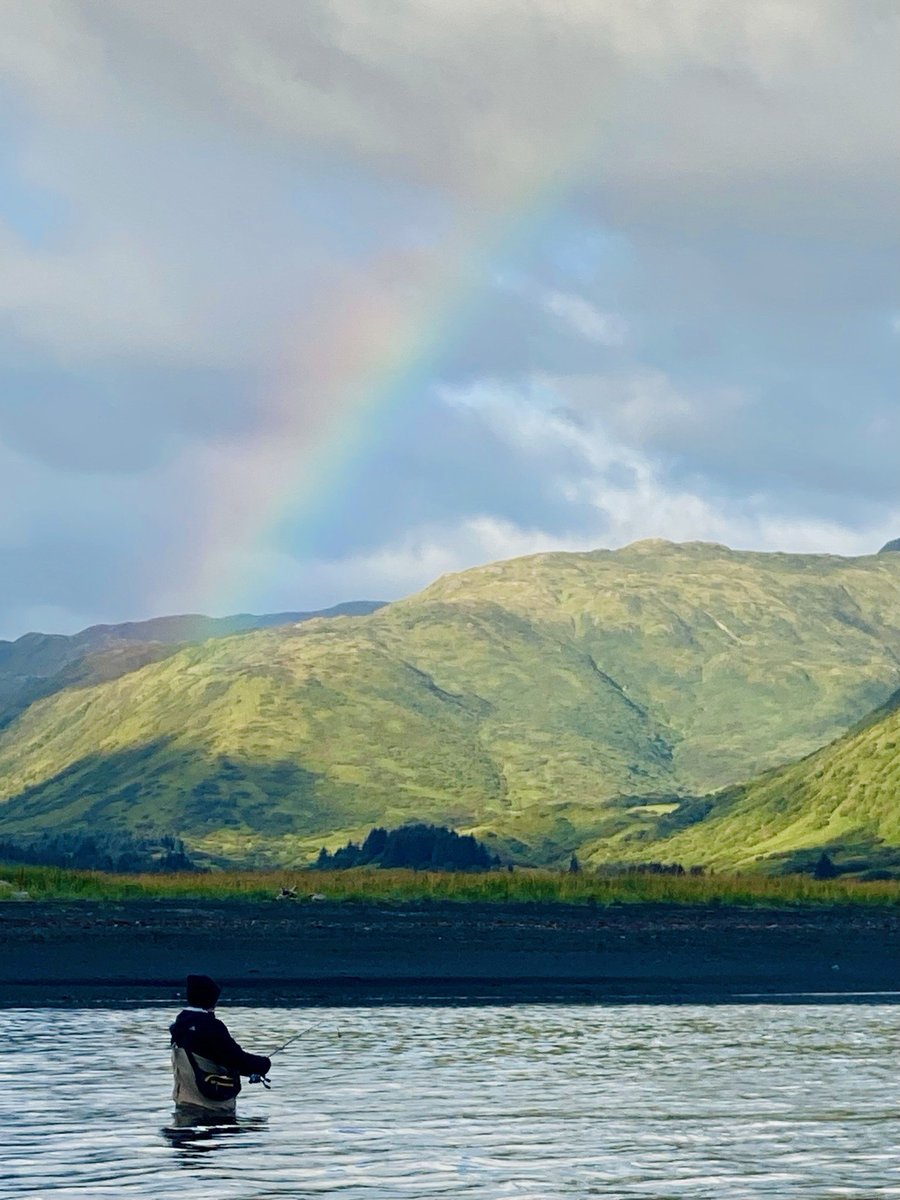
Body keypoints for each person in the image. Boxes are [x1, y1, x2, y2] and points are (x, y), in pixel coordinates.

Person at [170, 974, 272, 1114]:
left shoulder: (178, 1027)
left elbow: (220, 1057)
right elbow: (236, 1058)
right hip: (210, 1104)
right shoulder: (211, 1026)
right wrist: (264, 1064)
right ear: (211, 1000)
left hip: (184, 1101)